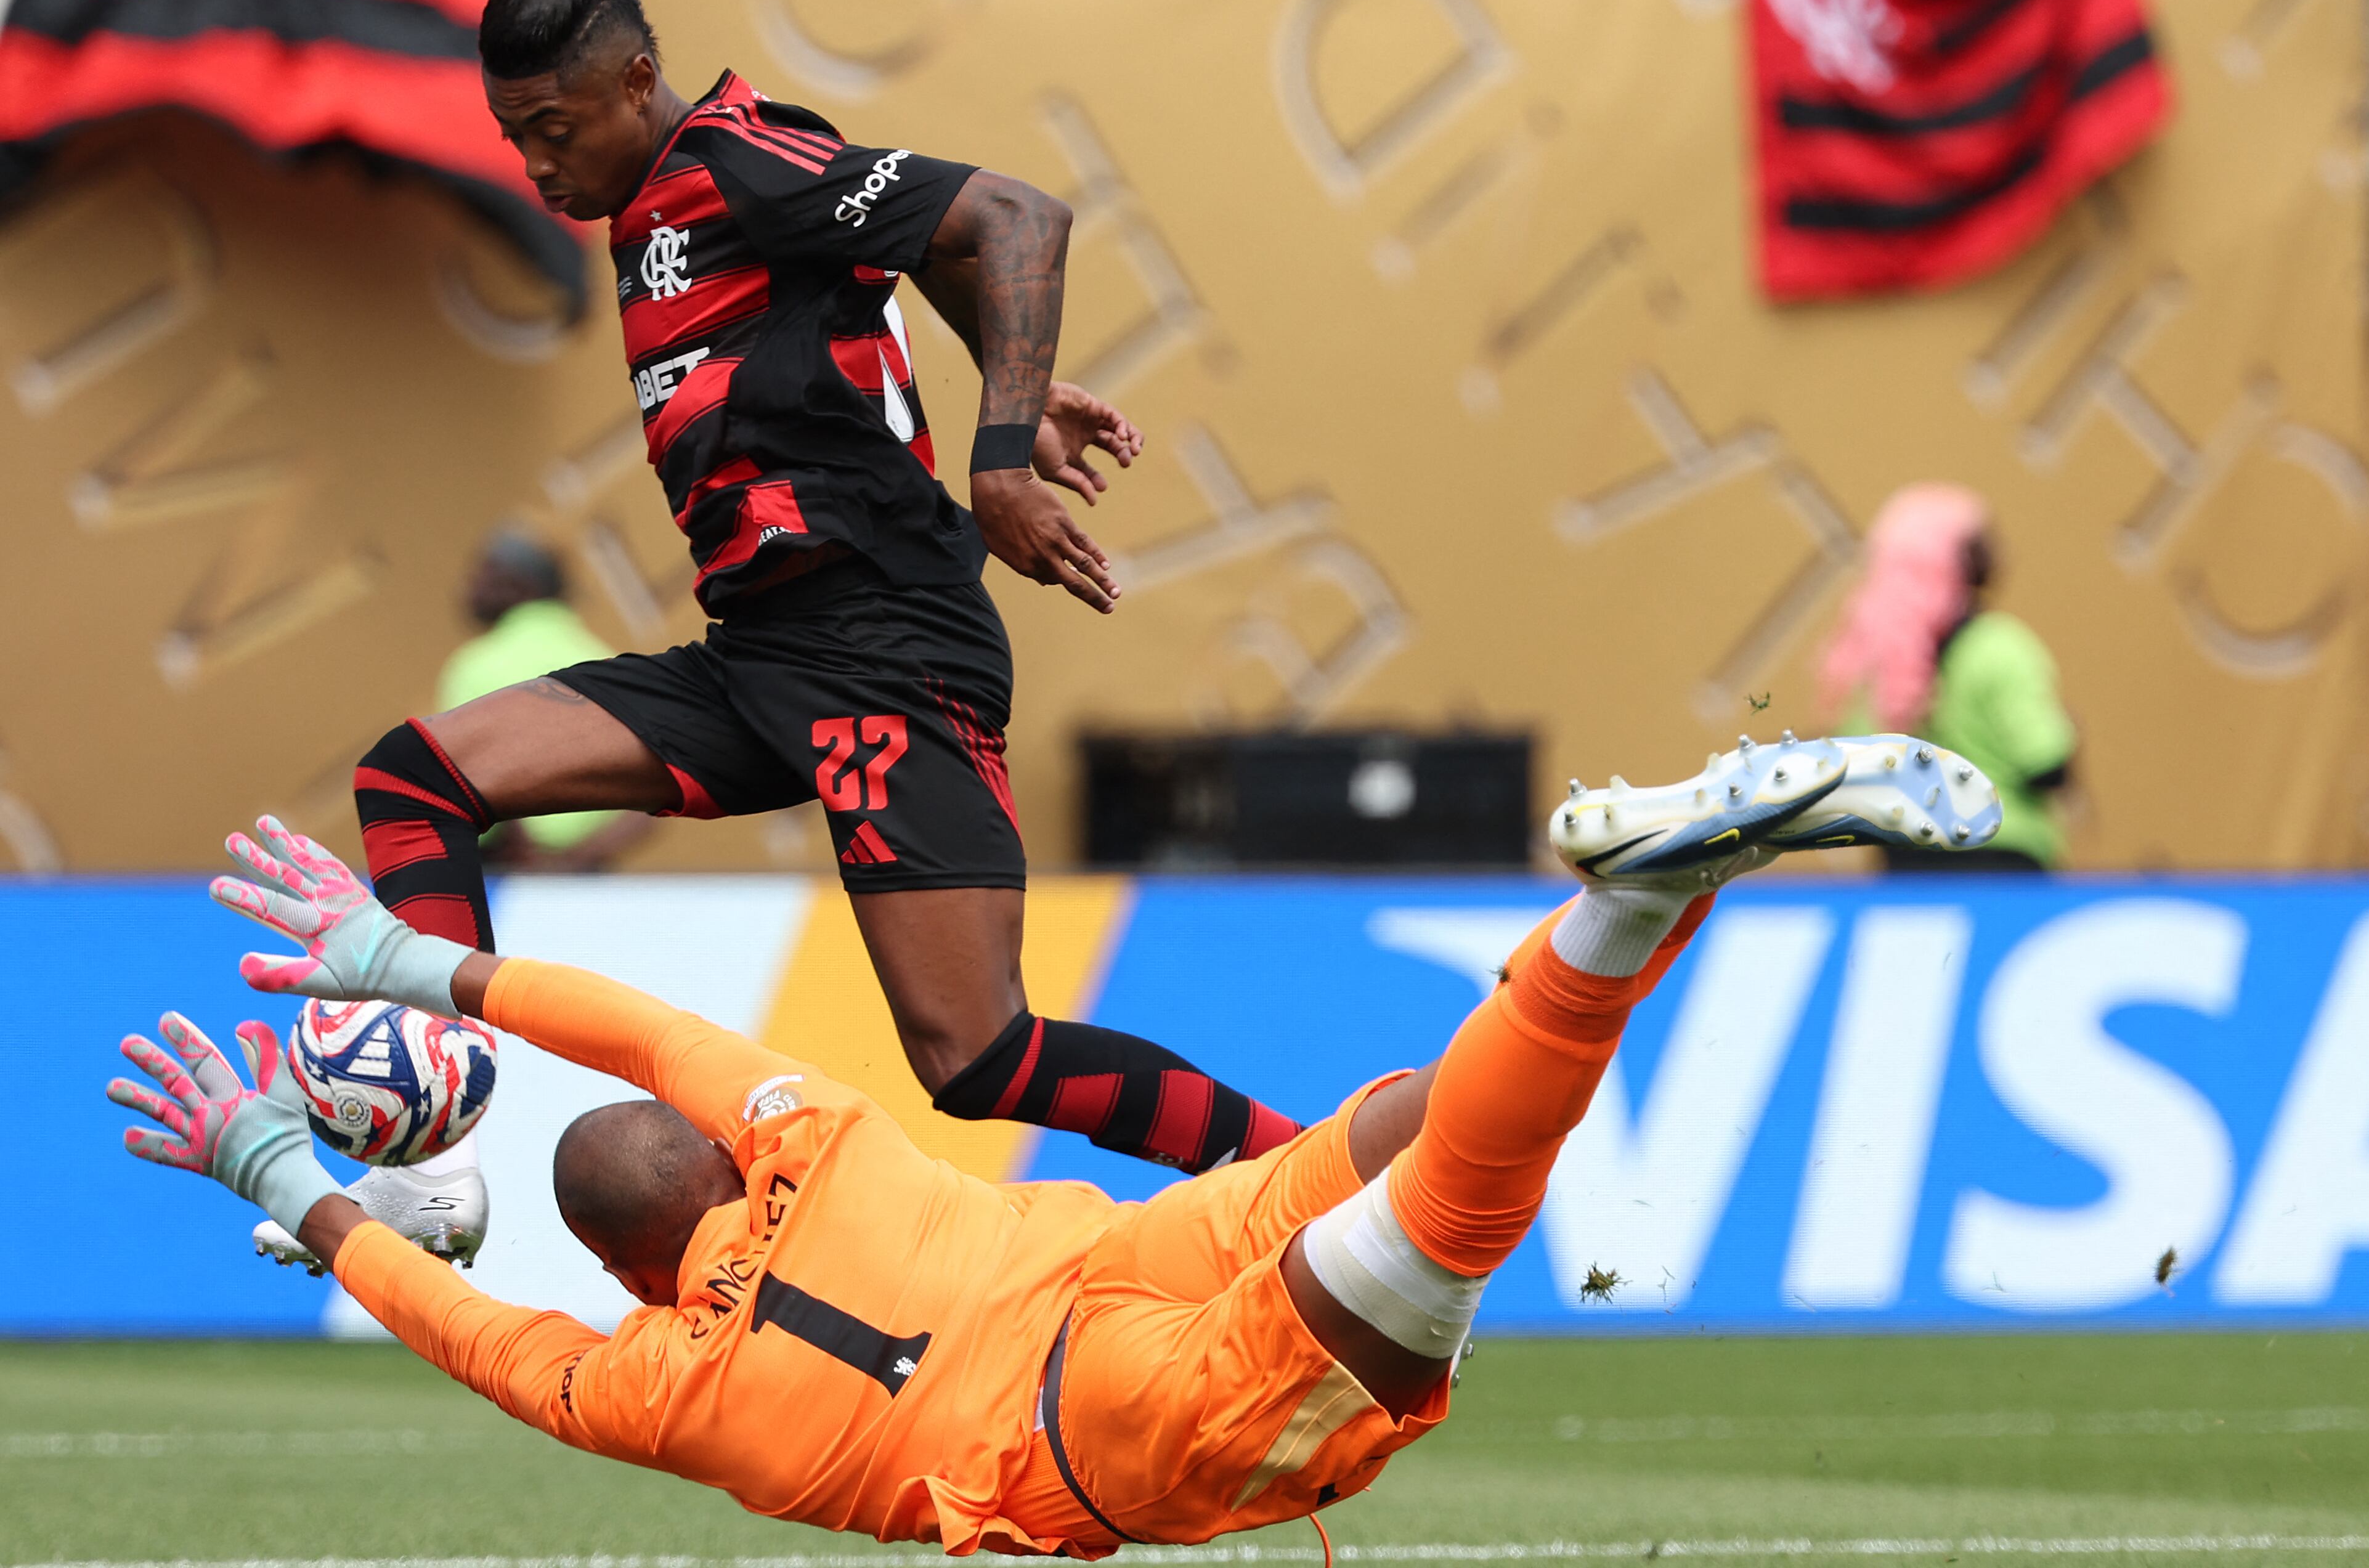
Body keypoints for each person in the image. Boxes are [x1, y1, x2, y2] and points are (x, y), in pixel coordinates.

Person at [118, 734, 1981, 1553]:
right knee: (1411, 1123)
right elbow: (653, 1037)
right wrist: (419, 961)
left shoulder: (648, 1391)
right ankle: (1608, 924)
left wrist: (295, 1182)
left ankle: (1643, 906)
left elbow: (481, 1342)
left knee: (1442, 1223)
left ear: (617, 1268)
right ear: (706, 1162)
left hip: (1080, 1439)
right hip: (1101, 1268)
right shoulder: (806, 1138)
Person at [322, 0, 1309, 1265]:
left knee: (977, 1057)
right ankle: (439, 1168)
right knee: (415, 781)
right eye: (514, 140)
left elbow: (1015, 218)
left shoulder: (737, 164)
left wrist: (1005, 444)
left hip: (886, 648)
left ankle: (1307, 1176)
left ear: (634, 80)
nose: (537, 170)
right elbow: (912, 255)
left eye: (554, 130)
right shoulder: (661, 205)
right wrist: (1001, 363)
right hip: (758, 654)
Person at [1815, 484, 2075, 874]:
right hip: (2003, 861)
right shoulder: (2000, 646)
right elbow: (2045, 764)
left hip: (1906, 868)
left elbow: (1854, 774)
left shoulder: (1876, 662)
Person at [439, 527, 652, 875]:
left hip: (520, 872)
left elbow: (476, 784)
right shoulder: (602, 657)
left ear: (521, 587)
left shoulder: (475, 665)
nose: (470, 584)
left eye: (485, 572)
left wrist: (535, 863)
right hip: (595, 867)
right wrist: (582, 858)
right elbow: (654, 787)